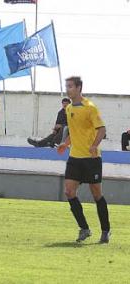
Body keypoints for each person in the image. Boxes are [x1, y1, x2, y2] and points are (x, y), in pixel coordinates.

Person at [57, 76, 111, 244]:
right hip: (75, 157)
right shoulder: (69, 108)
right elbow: (74, 132)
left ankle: (106, 230)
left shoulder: (90, 108)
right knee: (69, 192)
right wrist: (65, 144)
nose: (68, 89)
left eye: (71, 86)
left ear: (79, 88)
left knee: (96, 195)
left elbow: (101, 130)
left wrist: (95, 145)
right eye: (67, 86)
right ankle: (84, 228)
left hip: (91, 159)